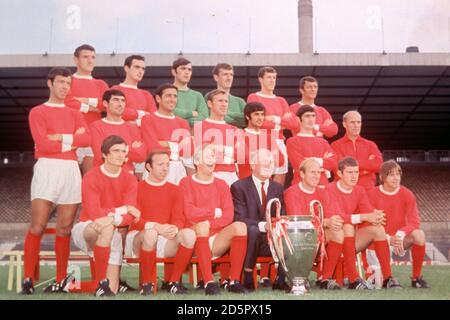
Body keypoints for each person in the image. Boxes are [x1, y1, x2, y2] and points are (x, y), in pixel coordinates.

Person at [22, 67, 91, 295]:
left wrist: (61, 138)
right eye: (61, 82)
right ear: (50, 83)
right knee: (38, 225)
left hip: (70, 168)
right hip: (47, 168)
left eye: (68, 83)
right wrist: (72, 141)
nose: (64, 87)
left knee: (64, 228)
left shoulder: (74, 113)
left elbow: (86, 138)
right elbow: (43, 144)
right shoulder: (38, 111)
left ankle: (61, 280)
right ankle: (28, 279)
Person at [71, 135, 140, 297]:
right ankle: (102, 281)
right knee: (107, 227)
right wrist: (123, 209)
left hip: (112, 232)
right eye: (115, 150)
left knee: (113, 290)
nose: (120, 155)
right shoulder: (91, 177)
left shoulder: (130, 179)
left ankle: (72, 285)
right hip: (87, 229)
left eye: (123, 151)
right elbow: (95, 213)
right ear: (104, 154)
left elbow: (131, 217)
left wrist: (113, 216)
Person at [179, 144, 248, 295]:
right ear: (197, 161)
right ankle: (209, 282)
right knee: (202, 226)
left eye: (213, 156)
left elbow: (228, 216)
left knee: (240, 226)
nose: (213, 159)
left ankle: (234, 281)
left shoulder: (221, 184)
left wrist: (210, 221)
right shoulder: (186, 183)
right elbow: (190, 213)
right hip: (193, 238)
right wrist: (213, 212)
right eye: (208, 156)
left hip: (217, 238)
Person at [124, 150, 196, 295]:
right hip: (140, 237)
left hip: (165, 238)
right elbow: (134, 220)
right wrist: (156, 227)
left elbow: (178, 218)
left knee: (189, 235)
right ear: (148, 167)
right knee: (151, 234)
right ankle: (147, 284)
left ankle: (174, 282)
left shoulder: (175, 190)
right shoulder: (137, 188)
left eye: (167, 164)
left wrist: (174, 228)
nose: (165, 168)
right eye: (160, 164)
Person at [325, 157, 398, 289]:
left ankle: (388, 278)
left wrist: (376, 216)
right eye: (350, 172)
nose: (354, 176)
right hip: (331, 239)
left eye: (356, 172)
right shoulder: (329, 189)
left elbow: (368, 213)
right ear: (340, 174)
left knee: (378, 229)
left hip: (350, 240)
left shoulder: (359, 190)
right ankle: (354, 278)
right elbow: (338, 217)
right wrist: (365, 216)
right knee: (347, 226)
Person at [284, 158, 344, 290]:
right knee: (304, 233)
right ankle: (299, 277)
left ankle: (325, 278)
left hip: (318, 235)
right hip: (296, 238)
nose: (316, 176)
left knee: (338, 233)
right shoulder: (292, 192)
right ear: (302, 174)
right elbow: (298, 221)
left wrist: (334, 221)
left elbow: (334, 213)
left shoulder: (323, 192)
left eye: (319, 172)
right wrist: (325, 222)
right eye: (312, 172)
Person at [231, 149, 287, 291]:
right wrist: (264, 226)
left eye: (272, 162)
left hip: (271, 241)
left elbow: (282, 215)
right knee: (254, 230)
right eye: (265, 162)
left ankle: (281, 279)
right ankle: (248, 276)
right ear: (253, 164)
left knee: (288, 232)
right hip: (249, 240)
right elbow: (239, 218)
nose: (269, 165)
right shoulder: (239, 187)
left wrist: (277, 225)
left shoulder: (278, 188)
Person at [368, 160, 429, 288]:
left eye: (398, 174)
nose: (396, 178)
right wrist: (388, 238)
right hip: (379, 241)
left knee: (419, 235)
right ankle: (388, 279)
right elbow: (368, 224)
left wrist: (400, 234)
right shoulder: (372, 194)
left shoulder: (407, 194)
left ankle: (416, 278)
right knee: (376, 282)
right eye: (391, 174)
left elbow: (414, 222)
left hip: (399, 240)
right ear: (382, 177)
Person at [247, 66, 298, 186]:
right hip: (261, 140)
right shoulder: (254, 97)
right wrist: (281, 123)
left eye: (274, 78)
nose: (272, 80)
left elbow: (294, 124)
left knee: (280, 175)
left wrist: (274, 118)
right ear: (260, 79)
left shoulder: (281, 100)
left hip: (279, 141)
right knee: (261, 176)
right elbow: (257, 121)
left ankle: (274, 203)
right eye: (269, 77)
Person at [65, 44, 109, 174]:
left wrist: (83, 100)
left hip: (92, 137)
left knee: (90, 179)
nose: (90, 61)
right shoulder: (67, 80)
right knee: (69, 183)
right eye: (85, 57)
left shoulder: (100, 84)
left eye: (93, 57)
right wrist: (92, 108)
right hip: (70, 135)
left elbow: (106, 105)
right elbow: (66, 101)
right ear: (76, 59)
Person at [141, 83, 192, 185]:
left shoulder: (183, 122)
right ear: (158, 99)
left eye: (175, 96)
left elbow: (187, 151)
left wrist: (165, 144)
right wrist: (176, 146)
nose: (172, 99)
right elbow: (153, 148)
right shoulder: (148, 119)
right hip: (156, 168)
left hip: (178, 170)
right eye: (168, 96)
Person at [89, 89, 147, 175]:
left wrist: (112, 149)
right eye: (116, 100)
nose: (120, 104)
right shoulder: (96, 126)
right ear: (105, 103)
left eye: (123, 101)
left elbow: (141, 156)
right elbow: (100, 154)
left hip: (127, 175)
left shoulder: (132, 128)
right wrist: (129, 149)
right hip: (104, 175)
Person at [195, 89, 241, 186]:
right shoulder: (200, 127)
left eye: (226, 101)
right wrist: (230, 157)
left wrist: (220, 148)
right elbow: (203, 155)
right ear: (210, 104)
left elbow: (243, 155)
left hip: (232, 177)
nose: (224, 104)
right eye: (220, 101)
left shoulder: (234, 129)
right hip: (210, 176)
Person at [286, 105, 337, 186]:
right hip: (301, 187)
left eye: (313, 116)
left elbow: (334, 163)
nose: (311, 119)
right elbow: (300, 165)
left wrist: (312, 159)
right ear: (299, 119)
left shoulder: (323, 142)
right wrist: (322, 162)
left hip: (323, 186)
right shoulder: (292, 141)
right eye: (307, 116)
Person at [331, 110, 382, 191]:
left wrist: (352, 165)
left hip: (367, 191)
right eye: (352, 122)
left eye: (358, 122)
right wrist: (366, 169)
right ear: (344, 124)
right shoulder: (335, 145)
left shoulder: (370, 144)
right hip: (344, 191)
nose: (356, 125)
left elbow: (379, 165)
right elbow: (338, 168)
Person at [237, 102, 283, 180]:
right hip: (246, 183)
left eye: (262, 114)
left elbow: (280, 161)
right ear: (247, 117)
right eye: (256, 114)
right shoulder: (239, 135)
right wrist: (267, 155)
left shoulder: (268, 137)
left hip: (266, 183)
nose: (260, 118)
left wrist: (255, 156)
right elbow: (241, 160)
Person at [111, 55, 156, 126]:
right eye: (137, 67)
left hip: (141, 136)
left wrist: (136, 123)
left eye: (143, 68)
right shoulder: (115, 89)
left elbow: (153, 118)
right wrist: (141, 113)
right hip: (120, 134)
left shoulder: (146, 94)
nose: (140, 71)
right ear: (126, 68)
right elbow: (116, 111)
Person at [171, 58, 208, 127]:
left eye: (189, 69)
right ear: (174, 72)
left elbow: (204, 117)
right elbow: (169, 112)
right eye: (183, 69)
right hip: (170, 134)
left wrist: (183, 120)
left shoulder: (197, 95)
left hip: (193, 136)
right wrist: (191, 113)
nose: (187, 72)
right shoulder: (166, 92)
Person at [211, 63, 246, 128]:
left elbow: (249, 120)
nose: (229, 78)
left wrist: (229, 114)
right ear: (216, 77)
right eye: (225, 74)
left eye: (231, 75)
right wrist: (238, 118)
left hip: (237, 137)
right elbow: (211, 120)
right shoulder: (209, 98)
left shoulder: (240, 102)